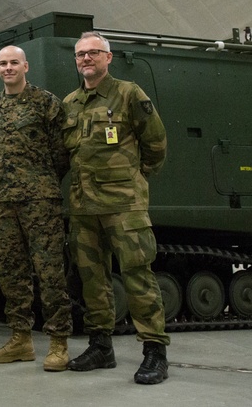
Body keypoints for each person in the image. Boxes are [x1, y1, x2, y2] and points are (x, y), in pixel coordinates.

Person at [63, 31, 169, 385]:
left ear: (108, 58)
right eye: (81, 54)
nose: (86, 59)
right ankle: (101, 347)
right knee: (93, 281)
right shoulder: (71, 102)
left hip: (124, 207)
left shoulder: (128, 93)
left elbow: (155, 142)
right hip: (83, 207)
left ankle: (154, 351)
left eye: (94, 53)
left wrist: (135, 179)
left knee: (138, 277)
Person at [0, 45, 72, 371]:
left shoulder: (46, 103)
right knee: (11, 274)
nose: (8, 68)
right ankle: (20, 339)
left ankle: (59, 343)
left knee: (50, 274)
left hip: (41, 201)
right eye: (3, 63)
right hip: (4, 202)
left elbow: (61, 153)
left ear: (26, 66)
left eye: (13, 63)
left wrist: (42, 181)